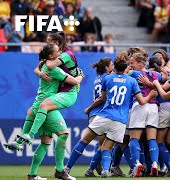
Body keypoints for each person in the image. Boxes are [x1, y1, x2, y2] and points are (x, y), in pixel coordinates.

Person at [64, 52, 157, 178]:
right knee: (107, 148)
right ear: (126, 68)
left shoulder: (107, 78)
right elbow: (141, 101)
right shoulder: (131, 81)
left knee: (84, 141)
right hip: (120, 120)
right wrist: (150, 95)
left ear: (115, 67)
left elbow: (102, 98)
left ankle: (67, 168)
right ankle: (106, 170)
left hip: (105, 115)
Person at [5, 44, 83, 180]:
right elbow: (75, 81)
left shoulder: (44, 65)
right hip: (45, 106)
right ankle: (60, 170)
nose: (60, 52)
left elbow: (37, 68)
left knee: (46, 142)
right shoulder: (55, 69)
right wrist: (81, 76)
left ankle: (32, 174)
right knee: (63, 134)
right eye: (58, 51)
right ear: (51, 56)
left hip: (37, 104)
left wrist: (39, 72)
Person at [17, 32, 79, 144]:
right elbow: (38, 69)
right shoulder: (51, 58)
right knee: (56, 137)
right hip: (52, 95)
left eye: (49, 42)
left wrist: (79, 77)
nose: (47, 44)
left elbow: (47, 66)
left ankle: (22, 140)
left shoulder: (65, 54)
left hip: (67, 91)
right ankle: (25, 138)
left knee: (32, 111)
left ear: (57, 43)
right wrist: (41, 73)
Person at [84, 57, 114, 177]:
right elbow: (102, 99)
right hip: (99, 113)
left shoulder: (98, 79)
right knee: (104, 145)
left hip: (95, 114)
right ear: (107, 67)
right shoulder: (107, 78)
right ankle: (94, 168)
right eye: (111, 65)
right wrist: (90, 108)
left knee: (102, 144)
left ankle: (95, 167)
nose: (113, 66)